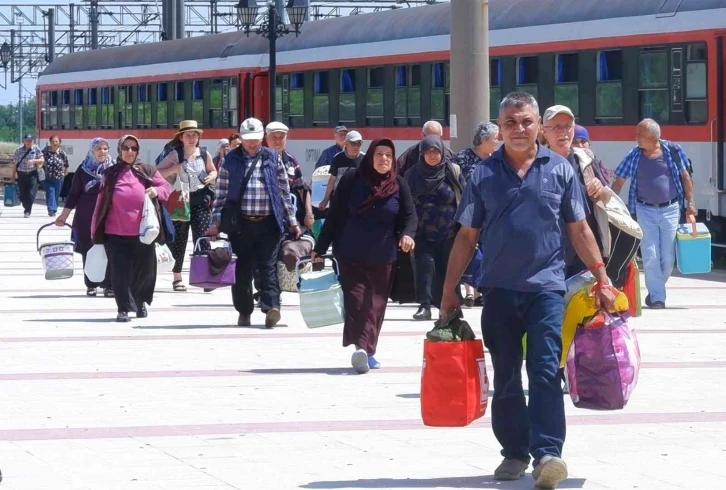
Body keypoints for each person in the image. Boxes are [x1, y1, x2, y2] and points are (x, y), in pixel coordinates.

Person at [439, 92, 615, 489]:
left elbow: (580, 229)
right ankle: (515, 453)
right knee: (504, 375)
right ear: (499, 128)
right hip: (498, 291)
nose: (518, 129)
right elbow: (466, 237)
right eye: (510, 123)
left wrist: (601, 277)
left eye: (525, 121)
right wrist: (449, 290)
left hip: (546, 290)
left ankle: (549, 453)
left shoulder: (561, 170)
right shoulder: (483, 174)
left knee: (545, 371)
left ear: (539, 125)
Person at [311, 138, 416, 374]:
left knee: (376, 305)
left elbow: (410, 216)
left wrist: (408, 234)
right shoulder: (351, 180)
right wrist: (319, 247)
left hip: (384, 255)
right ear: (370, 157)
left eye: (389, 155)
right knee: (357, 301)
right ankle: (361, 348)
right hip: (350, 253)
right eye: (379, 154)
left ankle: (368, 350)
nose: (384, 159)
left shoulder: (399, 184)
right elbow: (335, 216)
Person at [207, 118, 301, 328]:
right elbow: (221, 193)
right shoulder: (230, 159)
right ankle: (244, 311)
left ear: (262, 138)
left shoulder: (272, 157)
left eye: (256, 140)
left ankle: (271, 307)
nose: (252, 144)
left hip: (269, 223)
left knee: (268, 267)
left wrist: (292, 221)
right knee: (242, 270)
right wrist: (215, 222)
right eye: (248, 140)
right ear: (240, 138)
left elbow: (284, 191)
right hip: (240, 224)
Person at [611, 119, 696, 309]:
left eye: (639, 135)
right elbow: (619, 180)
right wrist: (608, 204)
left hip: (671, 209)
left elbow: (685, 177)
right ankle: (658, 298)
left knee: (667, 258)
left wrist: (690, 204)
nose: (636, 139)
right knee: (650, 255)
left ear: (651, 137)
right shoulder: (634, 155)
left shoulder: (673, 151)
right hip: (644, 209)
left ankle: (656, 290)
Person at [91, 135, 171, 322]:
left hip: (144, 232)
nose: (129, 152)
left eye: (133, 148)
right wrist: (94, 230)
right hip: (116, 232)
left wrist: (155, 191)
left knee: (145, 271)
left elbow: (166, 187)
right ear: (119, 150)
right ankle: (123, 308)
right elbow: (100, 203)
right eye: (125, 148)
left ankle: (140, 302)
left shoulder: (147, 170)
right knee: (120, 272)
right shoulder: (110, 174)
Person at [541, 106, 610, 279]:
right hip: (548, 253)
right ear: (544, 131)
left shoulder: (585, 160)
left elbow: (607, 198)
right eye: (556, 127)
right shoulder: (536, 163)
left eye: (567, 126)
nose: (563, 132)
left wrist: (600, 189)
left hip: (584, 251)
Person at [406, 134, 464, 321]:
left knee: (449, 269)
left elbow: (465, 197)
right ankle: (425, 306)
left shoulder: (452, 171)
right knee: (425, 268)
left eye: (436, 151)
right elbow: (405, 203)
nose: (432, 155)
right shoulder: (412, 175)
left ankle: (451, 306)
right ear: (422, 153)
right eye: (428, 151)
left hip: (449, 232)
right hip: (422, 232)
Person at [157, 120, 218, 292]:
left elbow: (213, 170)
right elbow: (157, 173)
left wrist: (212, 176)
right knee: (180, 239)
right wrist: (175, 168)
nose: (191, 138)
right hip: (180, 199)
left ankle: (206, 277)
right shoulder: (174, 154)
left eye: (194, 135)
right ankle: (177, 278)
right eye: (188, 135)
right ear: (181, 138)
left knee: (203, 238)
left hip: (200, 199)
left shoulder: (204, 153)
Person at [55, 137, 115, 297]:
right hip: (86, 217)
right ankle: (91, 284)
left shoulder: (114, 169)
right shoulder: (83, 170)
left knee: (110, 249)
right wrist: (63, 216)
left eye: (105, 148)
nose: (102, 152)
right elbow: (73, 195)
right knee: (88, 249)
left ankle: (109, 285)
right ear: (92, 150)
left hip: (109, 216)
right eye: (98, 149)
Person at [453, 121, 499, 307]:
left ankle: (480, 290)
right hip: (468, 212)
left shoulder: (497, 160)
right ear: (484, 139)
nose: (497, 142)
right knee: (470, 249)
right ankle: (469, 291)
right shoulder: (463, 158)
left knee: (486, 251)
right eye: (495, 138)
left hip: (491, 214)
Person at [318, 130, 364, 211]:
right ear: (346, 143)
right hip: (339, 200)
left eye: (359, 143)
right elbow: (332, 179)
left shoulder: (365, 159)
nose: (356, 146)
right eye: (353, 143)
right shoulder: (338, 158)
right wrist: (325, 199)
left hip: (358, 201)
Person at [12, 134, 45, 218]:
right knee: (22, 195)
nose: (29, 142)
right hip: (21, 174)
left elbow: (42, 159)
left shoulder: (36, 148)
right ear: (24, 141)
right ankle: (25, 205)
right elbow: (15, 164)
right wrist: (12, 176)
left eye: (30, 141)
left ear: (33, 141)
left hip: (32, 174)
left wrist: (34, 161)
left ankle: (27, 211)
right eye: (27, 140)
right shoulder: (18, 150)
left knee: (31, 194)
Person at [41, 135, 70, 217]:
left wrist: (65, 172)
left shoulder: (62, 153)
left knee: (56, 194)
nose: (55, 143)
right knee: (51, 191)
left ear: (59, 142)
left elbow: (66, 164)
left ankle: (54, 209)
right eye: (53, 141)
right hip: (47, 177)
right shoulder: (45, 151)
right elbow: (40, 159)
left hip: (59, 177)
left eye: (56, 141)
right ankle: (51, 209)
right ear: (50, 142)